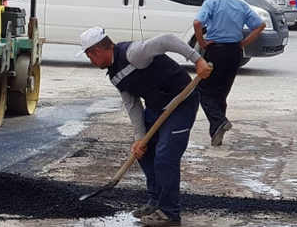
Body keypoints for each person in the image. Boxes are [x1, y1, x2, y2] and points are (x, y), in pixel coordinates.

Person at [77, 27, 212, 227]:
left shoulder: (134, 53)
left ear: (97, 51)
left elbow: (167, 38)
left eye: (89, 56)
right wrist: (139, 137)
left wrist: (197, 60)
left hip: (181, 103)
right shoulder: (115, 75)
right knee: (144, 152)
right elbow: (132, 106)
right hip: (157, 108)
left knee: (166, 156)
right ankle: (156, 201)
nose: (91, 62)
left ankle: (169, 213)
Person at [192, 0, 266, 146]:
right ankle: (216, 132)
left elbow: (197, 23)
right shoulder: (240, 3)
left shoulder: (212, 2)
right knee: (221, 93)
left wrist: (201, 42)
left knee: (203, 91)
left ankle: (219, 122)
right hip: (234, 52)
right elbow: (260, 25)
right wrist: (244, 43)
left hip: (216, 50)